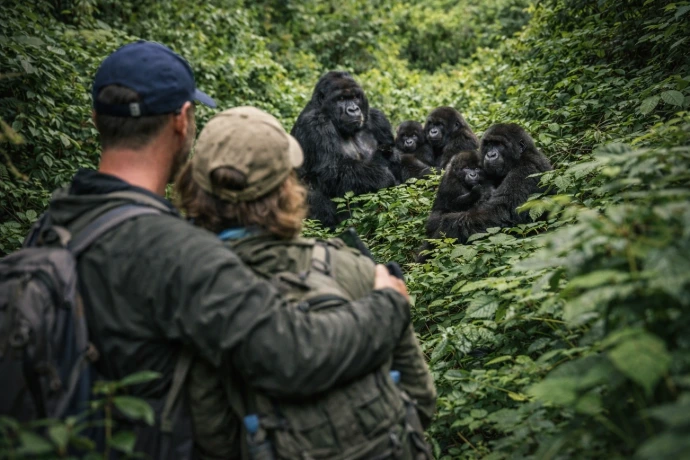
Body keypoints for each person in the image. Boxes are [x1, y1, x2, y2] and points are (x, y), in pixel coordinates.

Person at [36, 40, 412, 457]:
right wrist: (387, 304)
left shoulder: (54, 222)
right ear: (183, 121)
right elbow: (295, 352)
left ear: (95, 119)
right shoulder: (182, 251)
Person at [175, 106, 437, 459]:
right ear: (289, 186)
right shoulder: (356, 268)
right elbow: (421, 400)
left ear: (196, 189)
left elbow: (214, 436)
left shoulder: (199, 298)